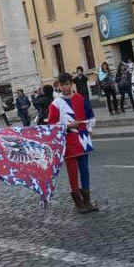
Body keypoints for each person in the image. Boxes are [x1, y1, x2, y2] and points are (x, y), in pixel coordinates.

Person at [48, 72, 99, 214]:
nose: (65, 87)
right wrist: (68, 126)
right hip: (68, 140)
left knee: (85, 170)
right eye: (62, 85)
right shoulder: (56, 104)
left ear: (71, 83)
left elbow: (91, 116)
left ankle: (87, 200)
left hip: (83, 138)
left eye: (67, 84)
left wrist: (89, 128)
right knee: (72, 172)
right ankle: (78, 202)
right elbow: (52, 125)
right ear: (59, 86)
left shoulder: (80, 98)